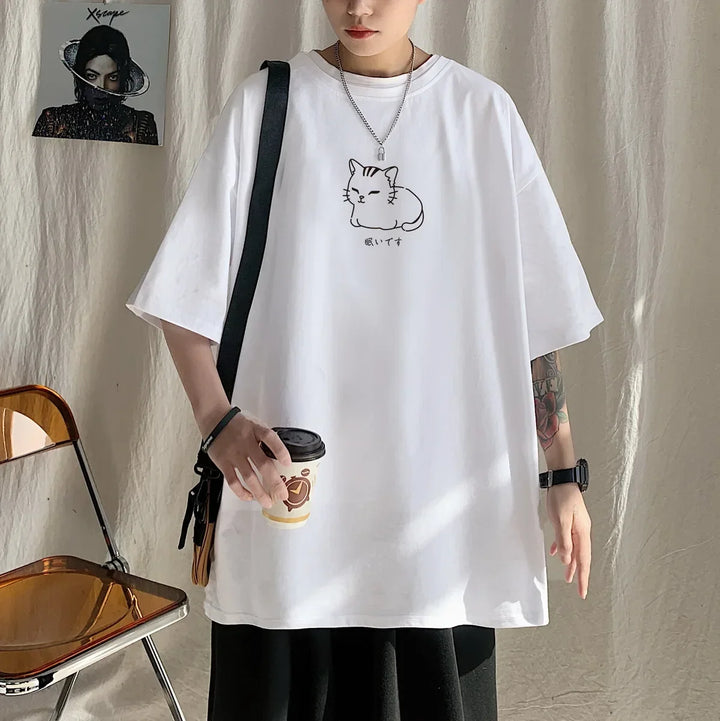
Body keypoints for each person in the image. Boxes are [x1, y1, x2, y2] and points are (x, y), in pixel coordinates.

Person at [126, 1, 603, 718]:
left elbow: (538, 316)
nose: (358, 7)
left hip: (438, 520)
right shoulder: (267, 105)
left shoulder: (481, 115)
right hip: (291, 503)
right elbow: (183, 289)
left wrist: (563, 473)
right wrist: (216, 420)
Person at [33, 24, 158, 144]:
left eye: (113, 77)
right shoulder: (53, 121)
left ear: (123, 78)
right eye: (92, 76)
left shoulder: (140, 124)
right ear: (81, 75)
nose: (102, 87)